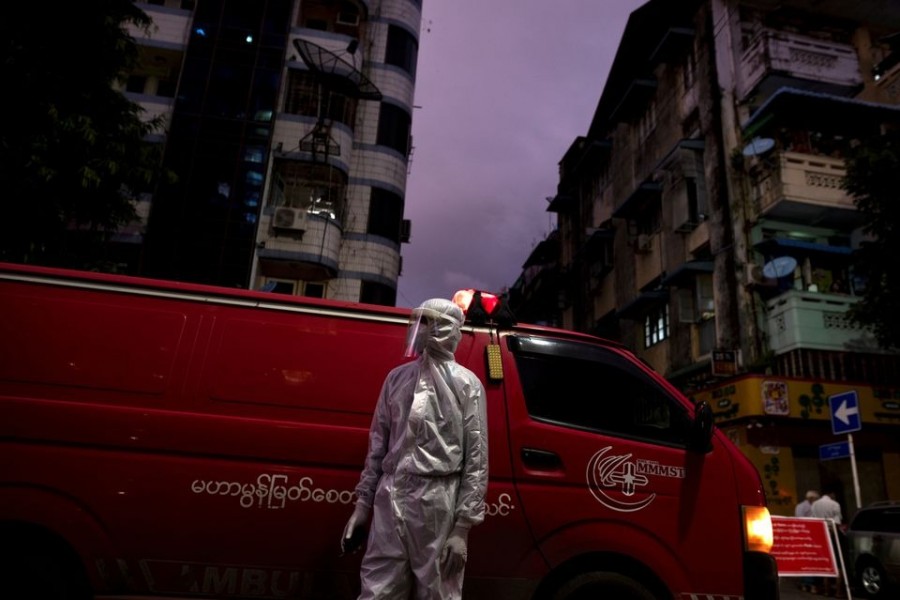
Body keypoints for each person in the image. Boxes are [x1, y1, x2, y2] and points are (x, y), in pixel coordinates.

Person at [342, 298, 489, 600]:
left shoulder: (466, 385)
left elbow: (477, 457)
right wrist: (362, 506)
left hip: (438, 502)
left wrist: (462, 528)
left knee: (437, 592)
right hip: (390, 496)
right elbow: (378, 446)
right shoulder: (397, 379)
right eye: (416, 321)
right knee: (377, 590)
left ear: (445, 329)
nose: (416, 329)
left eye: (425, 322)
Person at [811, 488, 845, 598]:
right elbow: (837, 522)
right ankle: (838, 592)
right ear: (831, 494)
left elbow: (813, 520)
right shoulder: (835, 504)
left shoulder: (815, 505)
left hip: (821, 535)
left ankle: (826, 590)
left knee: (825, 562)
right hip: (833, 534)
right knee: (838, 564)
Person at [795, 490, 820, 592]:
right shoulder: (801, 507)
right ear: (811, 498)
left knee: (810, 560)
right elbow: (800, 521)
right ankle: (807, 583)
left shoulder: (812, 506)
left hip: (810, 535)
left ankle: (808, 583)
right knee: (807, 559)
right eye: (815, 499)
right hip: (804, 535)